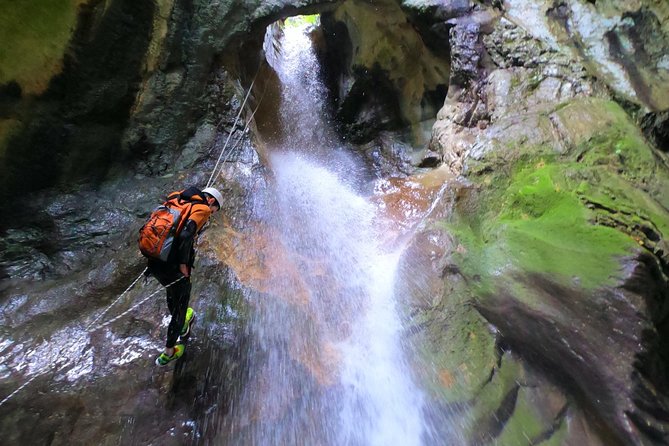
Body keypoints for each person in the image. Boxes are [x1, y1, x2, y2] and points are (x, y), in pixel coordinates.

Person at [147, 186, 223, 366]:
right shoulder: (202, 209)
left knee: (171, 291)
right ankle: (169, 352)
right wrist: (183, 264)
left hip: (156, 257)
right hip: (172, 264)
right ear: (211, 201)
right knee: (181, 304)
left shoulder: (178, 199)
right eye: (214, 211)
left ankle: (181, 322)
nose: (211, 214)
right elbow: (186, 234)